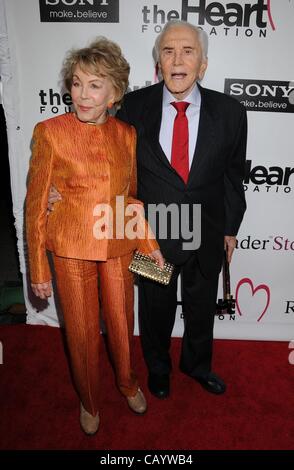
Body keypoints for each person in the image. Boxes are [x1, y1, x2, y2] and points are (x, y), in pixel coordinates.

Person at [49, 20, 247, 400]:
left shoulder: (232, 113)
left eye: (188, 51)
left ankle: (197, 365)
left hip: (206, 228)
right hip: (150, 232)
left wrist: (231, 229)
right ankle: (158, 368)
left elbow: (232, 178)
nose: (177, 59)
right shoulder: (133, 107)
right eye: (168, 51)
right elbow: (98, 154)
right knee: (155, 309)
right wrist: (58, 189)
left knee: (201, 305)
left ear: (202, 64)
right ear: (158, 62)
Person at [26, 37, 163, 436]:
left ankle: (127, 382)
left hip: (119, 245)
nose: (82, 95)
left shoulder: (127, 135)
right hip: (70, 250)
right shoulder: (50, 132)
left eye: (94, 85)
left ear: (115, 93)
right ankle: (89, 400)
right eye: (76, 83)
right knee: (83, 335)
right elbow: (35, 205)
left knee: (122, 324)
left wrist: (150, 246)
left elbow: (130, 198)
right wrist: (38, 267)